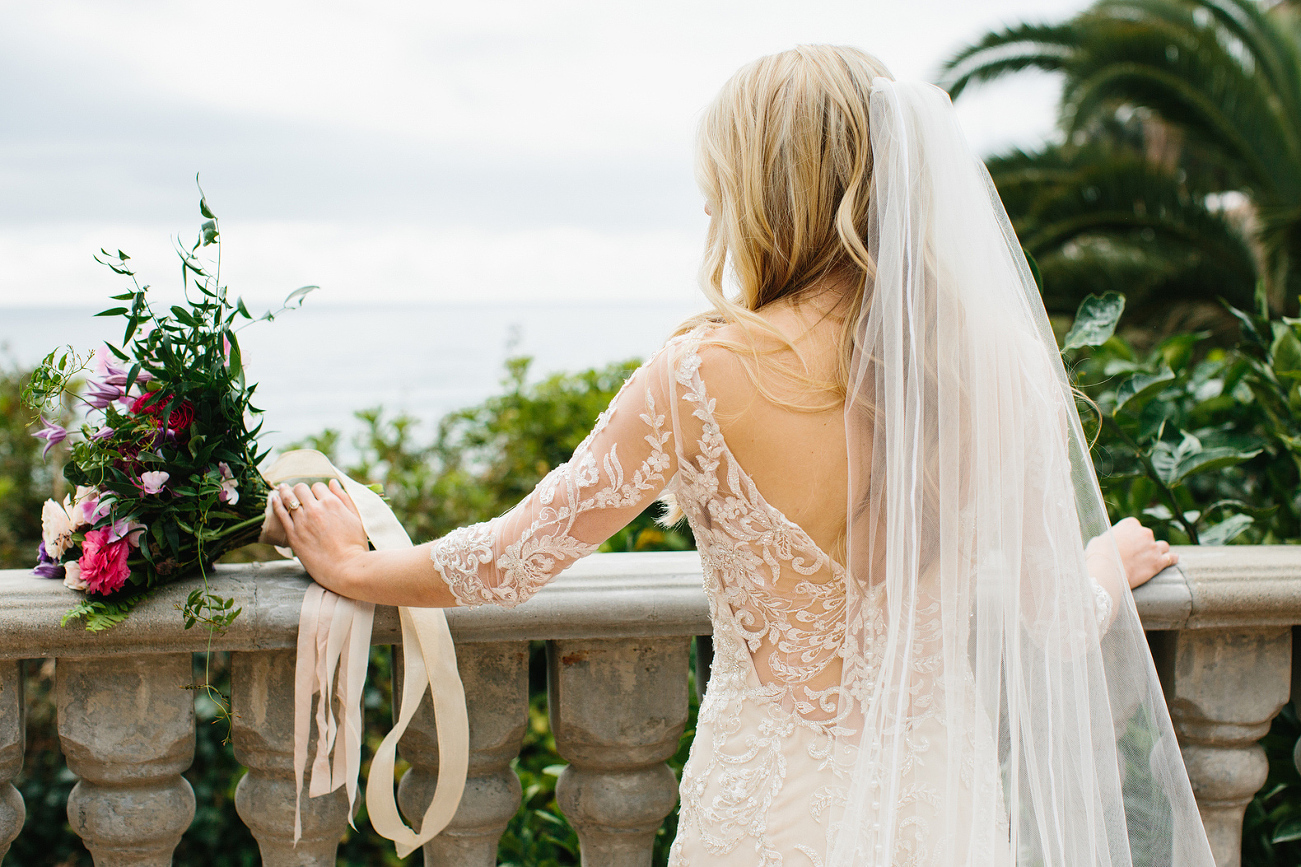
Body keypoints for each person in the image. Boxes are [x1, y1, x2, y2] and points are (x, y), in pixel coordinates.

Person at [269, 45, 1213, 867]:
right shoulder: (985, 365)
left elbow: (518, 554)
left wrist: (353, 563)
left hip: (769, 805)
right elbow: (1051, 623)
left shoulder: (703, 371)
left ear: (763, 189)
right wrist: (1103, 567)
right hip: (941, 793)